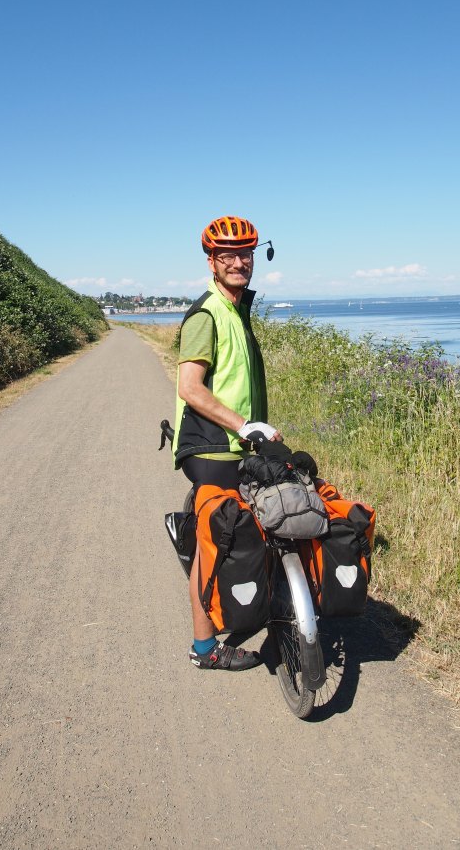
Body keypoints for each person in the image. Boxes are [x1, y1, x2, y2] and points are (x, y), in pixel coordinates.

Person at [173, 215, 281, 671]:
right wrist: (242, 424)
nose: (239, 262)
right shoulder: (207, 313)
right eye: (227, 255)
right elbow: (190, 388)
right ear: (212, 262)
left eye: (246, 253)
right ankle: (205, 649)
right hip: (212, 445)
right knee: (212, 545)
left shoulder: (236, 307)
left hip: (237, 440)